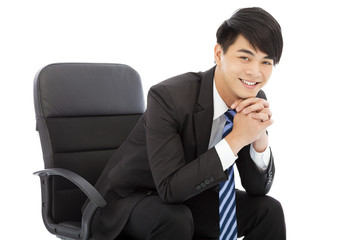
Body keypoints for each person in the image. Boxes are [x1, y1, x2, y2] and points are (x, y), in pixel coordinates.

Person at [90, 7, 286, 240]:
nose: (255, 72)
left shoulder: (254, 101)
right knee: (174, 218)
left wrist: (259, 140)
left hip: (190, 195)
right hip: (129, 200)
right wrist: (236, 140)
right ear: (219, 54)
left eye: (266, 62)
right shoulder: (168, 98)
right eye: (245, 57)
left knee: (268, 211)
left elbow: (257, 189)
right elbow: (169, 189)